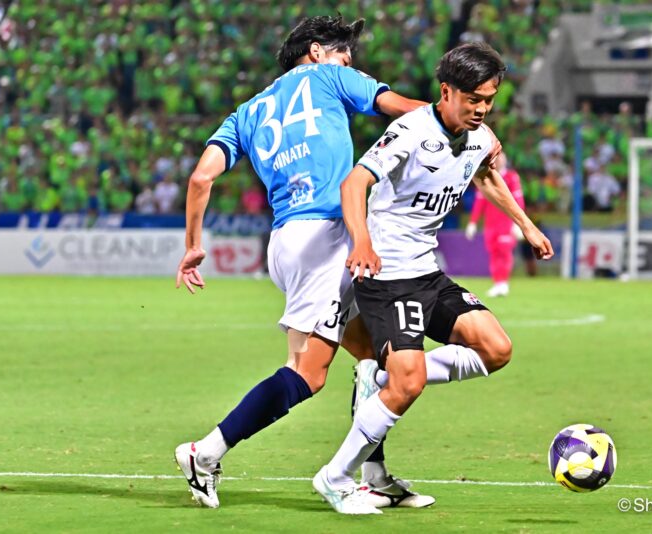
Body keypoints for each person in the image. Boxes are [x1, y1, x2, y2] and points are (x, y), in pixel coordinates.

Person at [173, 15, 435, 511]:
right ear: (316, 51)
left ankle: (374, 472)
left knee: (374, 355)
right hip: (328, 236)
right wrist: (462, 124)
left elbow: (200, 180)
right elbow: (407, 112)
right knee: (308, 372)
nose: (350, 61)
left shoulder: (247, 111)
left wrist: (192, 245)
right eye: (343, 53)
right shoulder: (328, 77)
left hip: (288, 239)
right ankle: (204, 453)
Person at [312, 42, 553, 514]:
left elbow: (484, 175)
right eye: (473, 100)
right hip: (387, 277)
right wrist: (362, 241)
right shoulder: (409, 132)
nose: (482, 109)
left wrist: (527, 225)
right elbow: (354, 183)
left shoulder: (478, 135)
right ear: (446, 91)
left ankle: (382, 378)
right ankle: (335, 477)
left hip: (427, 273)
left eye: (489, 99)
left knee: (496, 349)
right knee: (409, 384)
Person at [465, 151, 525, 297]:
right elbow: (480, 201)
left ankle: (503, 283)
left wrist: (519, 223)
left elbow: (518, 200)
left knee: (504, 252)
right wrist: (473, 222)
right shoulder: (485, 176)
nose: (497, 161)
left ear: (504, 161)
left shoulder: (511, 177)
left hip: (506, 222)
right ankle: (498, 282)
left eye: (500, 159)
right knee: (493, 253)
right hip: (490, 223)